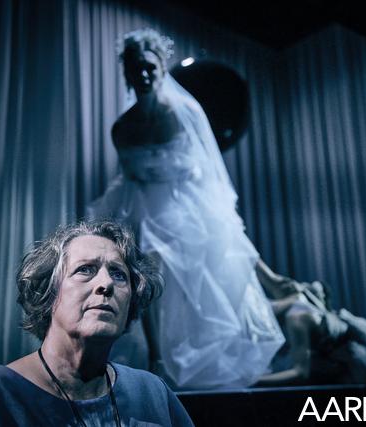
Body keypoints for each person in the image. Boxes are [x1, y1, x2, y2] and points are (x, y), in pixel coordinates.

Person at [88, 28, 285, 390]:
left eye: (149, 67)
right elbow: (126, 178)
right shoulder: (122, 127)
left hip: (183, 207)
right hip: (141, 208)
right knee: (142, 269)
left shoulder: (184, 113)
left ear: (162, 69)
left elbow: (205, 174)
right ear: (126, 73)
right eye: (135, 68)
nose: (143, 74)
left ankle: (186, 362)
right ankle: (155, 358)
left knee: (191, 279)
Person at [0, 221, 194, 426]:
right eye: (85, 269)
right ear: (48, 292)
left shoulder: (153, 394)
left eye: (118, 274)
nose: (106, 284)